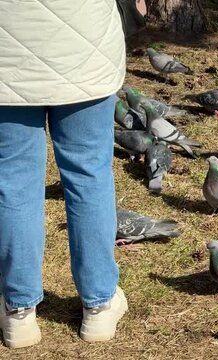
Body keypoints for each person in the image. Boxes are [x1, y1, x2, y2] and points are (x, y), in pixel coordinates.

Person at [0, 0, 146, 349]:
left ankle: (18, 312)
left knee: (13, 181)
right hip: (85, 46)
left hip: (8, 52)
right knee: (89, 176)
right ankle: (99, 304)